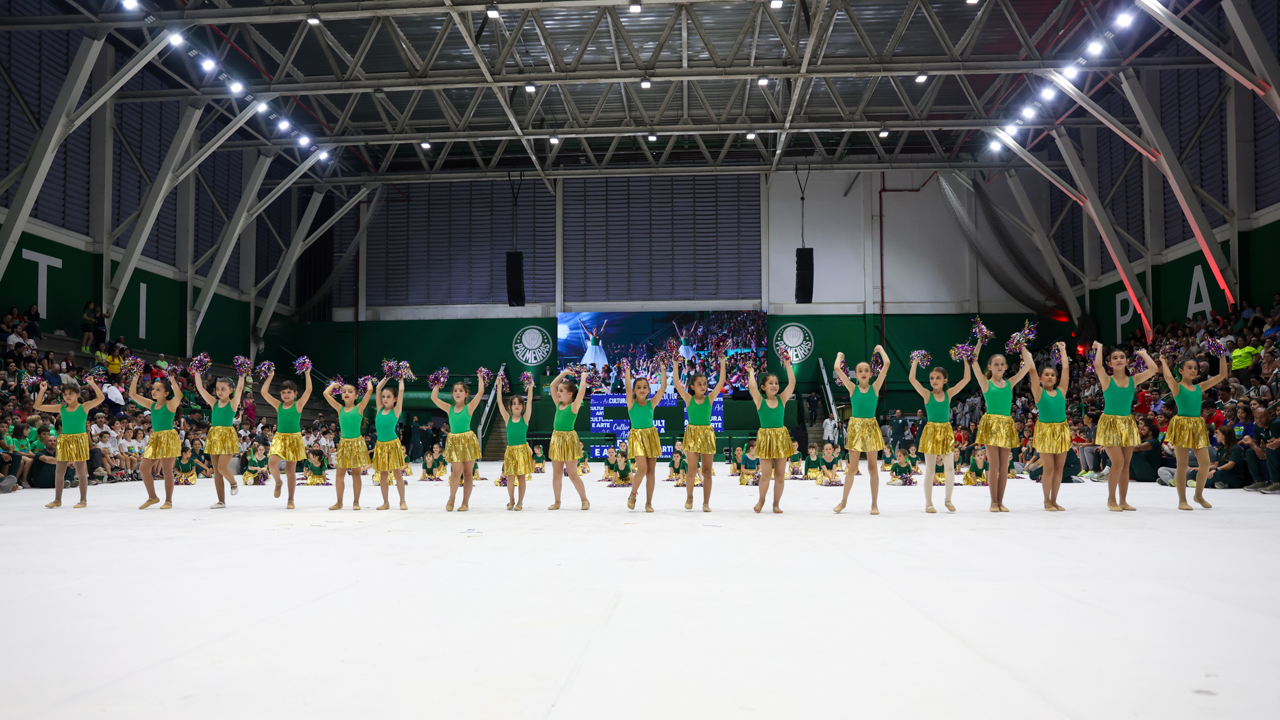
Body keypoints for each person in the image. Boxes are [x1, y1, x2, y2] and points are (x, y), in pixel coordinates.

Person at [1091, 342, 1159, 512]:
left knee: (1126, 464)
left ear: (1127, 361)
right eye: (1115, 358)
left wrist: (1143, 354)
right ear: (1110, 363)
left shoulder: (1133, 380)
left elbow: (1153, 369)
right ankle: (1111, 499)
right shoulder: (1107, 379)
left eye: (1122, 357)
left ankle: (1123, 500)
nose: (1119, 360)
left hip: (1127, 423)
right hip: (1110, 423)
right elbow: (1097, 365)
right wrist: (1099, 348)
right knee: (1118, 462)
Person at [1159, 354, 1229, 510]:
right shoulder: (1177, 387)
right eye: (1189, 368)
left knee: (1205, 463)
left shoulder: (1199, 387)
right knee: (1182, 465)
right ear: (1181, 370)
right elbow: (1168, 378)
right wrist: (1163, 361)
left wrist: (1222, 356)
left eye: (1195, 368)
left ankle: (1198, 495)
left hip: (1197, 424)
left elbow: (1222, 375)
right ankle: (1182, 500)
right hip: (1182, 424)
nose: (1193, 370)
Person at [970, 339, 1030, 512]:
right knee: (994, 464)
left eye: (1002, 364)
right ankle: (993, 502)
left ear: (1006, 367)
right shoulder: (986, 383)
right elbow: (973, 361)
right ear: (990, 367)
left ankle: (1000, 502)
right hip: (991, 424)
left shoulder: (1010, 383)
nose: (999, 366)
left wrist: (1022, 345)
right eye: (996, 364)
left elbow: (1027, 366)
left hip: (1006, 424)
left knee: (1004, 466)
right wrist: (980, 342)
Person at [908, 351, 971, 513]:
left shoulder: (949, 394)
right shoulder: (926, 394)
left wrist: (966, 359)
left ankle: (948, 500)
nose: (934, 380)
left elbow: (966, 379)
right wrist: (915, 361)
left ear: (945, 380)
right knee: (930, 470)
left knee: (949, 468)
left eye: (937, 377)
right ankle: (928, 503)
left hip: (945, 431)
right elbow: (912, 379)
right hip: (931, 431)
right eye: (931, 378)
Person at [832, 345, 890, 515]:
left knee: (873, 467)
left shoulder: (875, 387)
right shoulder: (852, 388)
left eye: (867, 370)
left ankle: (874, 504)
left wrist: (880, 349)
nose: (863, 373)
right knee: (852, 468)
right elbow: (837, 368)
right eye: (860, 371)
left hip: (871, 428)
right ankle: (843, 502)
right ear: (855, 375)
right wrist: (839, 354)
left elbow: (887, 363)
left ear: (871, 374)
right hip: (856, 428)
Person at [32, 378, 105, 508]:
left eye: (71, 393)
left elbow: (101, 398)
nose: (67, 396)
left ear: (78, 394)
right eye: (65, 394)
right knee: (59, 472)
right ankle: (57, 500)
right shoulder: (62, 408)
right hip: (64, 439)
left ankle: (83, 500)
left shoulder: (84, 407)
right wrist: (42, 390)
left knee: (81, 472)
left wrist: (92, 383)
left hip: (79, 439)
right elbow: (37, 406)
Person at [674, 354, 727, 512]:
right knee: (691, 469)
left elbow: (721, 382)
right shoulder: (688, 399)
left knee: (707, 471)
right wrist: (675, 364)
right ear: (692, 386)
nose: (703, 386)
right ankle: (689, 497)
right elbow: (676, 383)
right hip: (692, 433)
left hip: (706, 434)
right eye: (699, 384)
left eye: (704, 384)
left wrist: (722, 362)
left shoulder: (710, 398)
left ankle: (706, 503)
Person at [1023, 343, 1071, 511]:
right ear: (1041, 379)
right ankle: (1046, 501)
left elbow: (1066, 369)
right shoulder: (1038, 392)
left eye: (1052, 375)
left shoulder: (1062, 390)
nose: (1050, 377)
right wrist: (1025, 351)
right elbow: (1032, 371)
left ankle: (1054, 500)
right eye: (1047, 375)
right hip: (1045, 431)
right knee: (1049, 468)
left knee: (1059, 468)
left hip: (1061, 430)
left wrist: (1063, 350)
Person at [259, 365, 314, 509]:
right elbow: (263, 392)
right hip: (280, 438)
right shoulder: (278, 405)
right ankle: (278, 482)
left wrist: (307, 373)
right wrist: (270, 376)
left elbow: (308, 390)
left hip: (294, 439)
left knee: (290, 471)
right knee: (272, 462)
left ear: (295, 394)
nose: (286, 395)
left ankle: (290, 499)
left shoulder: (298, 405)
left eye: (289, 392)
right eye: (283, 392)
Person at [191, 369, 247, 509]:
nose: (219, 392)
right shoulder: (213, 402)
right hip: (214, 436)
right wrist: (197, 372)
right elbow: (200, 389)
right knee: (217, 471)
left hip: (227, 436)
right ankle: (221, 501)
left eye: (223, 389)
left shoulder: (233, 403)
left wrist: (242, 373)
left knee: (222, 468)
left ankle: (233, 483)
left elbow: (240, 389)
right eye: (217, 389)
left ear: (230, 390)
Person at [747, 355, 796, 514]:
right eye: (771, 383)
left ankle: (776, 504)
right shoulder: (760, 401)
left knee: (780, 475)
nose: (775, 385)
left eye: (776, 383)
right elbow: (752, 388)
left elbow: (792, 383)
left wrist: (787, 365)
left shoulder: (782, 399)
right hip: (766, 439)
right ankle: (761, 500)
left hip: (781, 438)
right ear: (763, 387)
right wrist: (751, 372)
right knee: (766, 474)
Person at [431, 374, 485, 512]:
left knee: (468, 473)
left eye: (461, 390)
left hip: (468, 441)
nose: (458, 392)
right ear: (452, 394)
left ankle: (465, 503)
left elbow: (480, 392)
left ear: (466, 394)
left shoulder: (469, 407)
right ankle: (451, 498)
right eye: (455, 390)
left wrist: (480, 378)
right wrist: (437, 382)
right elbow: (434, 398)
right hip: (454, 441)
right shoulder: (449, 408)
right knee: (456, 471)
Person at [130, 373, 183, 509]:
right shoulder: (151, 405)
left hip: (168, 438)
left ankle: (168, 501)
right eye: (153, 389)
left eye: (158, 389)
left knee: (167, 470)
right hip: (155, 438)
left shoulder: (170, 405)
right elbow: (133, 395)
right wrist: (135, 377)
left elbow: (178, 396)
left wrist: (172, 379)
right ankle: (152, 497)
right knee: (143, 468)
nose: (153, 391)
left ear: (166, 393)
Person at [623, 358, 669, 513]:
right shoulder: (631, 402)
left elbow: (663, 387)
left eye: (644, 387)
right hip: (637, 436)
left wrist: (663, 369)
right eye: (638, 387)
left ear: (649, 390)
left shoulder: (652, 403)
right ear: (634, 390)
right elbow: (627, 389)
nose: (642, 389)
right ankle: (633, 495)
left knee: (651, 472)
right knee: (642, 468)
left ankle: (649, 503)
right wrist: (627, 371)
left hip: (651, 436)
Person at [322, 378, 375, 511]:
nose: (346, 393)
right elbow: (325, 394)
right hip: (344, 444)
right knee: (339, 475)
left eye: (350, 391)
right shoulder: (339, 408)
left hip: (356, 443)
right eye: (344, 391)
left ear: (356, 396)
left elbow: (370, 390)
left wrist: (368, 380)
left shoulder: (359, 408)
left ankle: (356, 502)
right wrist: (334, 385)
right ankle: (339, 502)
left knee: (356, 474)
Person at [547, 368, 591, 510]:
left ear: (570, 394)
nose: (558, 392)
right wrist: (564, 373)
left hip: (569, 440)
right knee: (557, 474)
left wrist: (583, 377)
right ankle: (557, 502)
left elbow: (581, 391)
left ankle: (584, 500)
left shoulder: (574, 406)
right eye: (558, 391)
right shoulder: (558, 405)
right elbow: (552, 386)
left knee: (572, 474)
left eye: (561, 391)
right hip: (556, 439)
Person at [497, 373, 536, 511]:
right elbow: (499, 402)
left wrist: (530, 387)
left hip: (522, 451)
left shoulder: (525, 419)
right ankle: (511, 500)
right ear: (510, 407)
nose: (517, 405)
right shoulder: (507, 419)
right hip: (511, 451)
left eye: (519, 404)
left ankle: (520, 502)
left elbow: (530, 402)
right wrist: (499, 386)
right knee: (510, 477)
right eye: (514, 404)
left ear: (522, 407)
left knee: (521, 478)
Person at [371, 375, 408, 511]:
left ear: (395, 399)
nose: (385, 399)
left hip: (392, 445)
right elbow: (378, 388)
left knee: (397, 473)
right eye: (383, 397)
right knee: (383, 475)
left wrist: (401, 378)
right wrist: (387, 376)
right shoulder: (380, 409)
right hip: (380, 445)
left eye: (388, 397)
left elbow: (401, 390)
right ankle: (385, 502)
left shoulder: (396, 411)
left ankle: (402, 501)